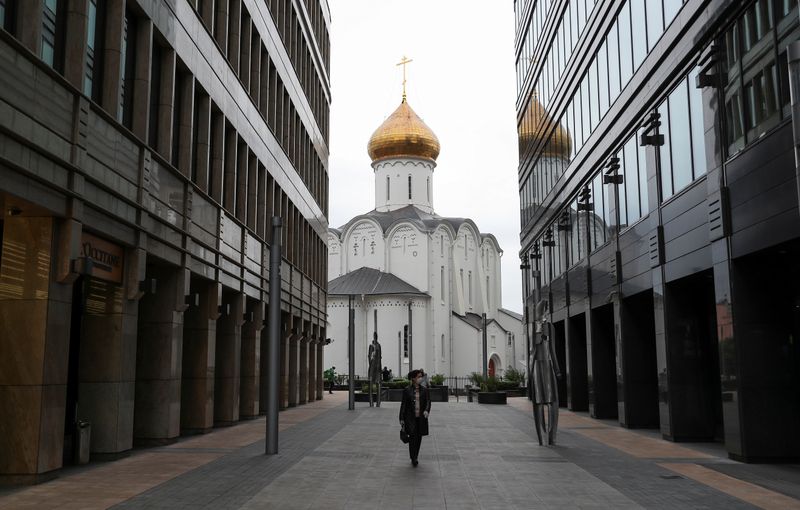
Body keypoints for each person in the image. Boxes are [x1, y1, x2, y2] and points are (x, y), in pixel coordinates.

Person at [399, 369, 431, 467]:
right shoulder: (407, 390)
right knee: (412, 437)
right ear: (413, 378)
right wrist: (401, 418)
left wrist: (426, 410)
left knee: (419, 438)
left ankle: (415, 455)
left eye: (421, 376)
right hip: (410, 418)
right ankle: (413, 458)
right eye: (418, 377)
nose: (420, 378)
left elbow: (428, 402)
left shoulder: (424, 390)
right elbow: (403, 405)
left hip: (421, 418)